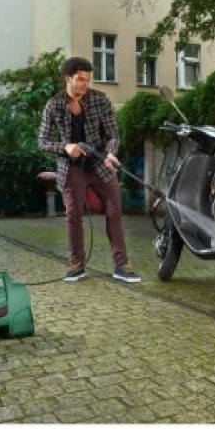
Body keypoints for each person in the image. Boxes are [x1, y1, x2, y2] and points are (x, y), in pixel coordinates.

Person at [38, 56, 142, 283]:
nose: (84, 84)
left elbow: (113, 135)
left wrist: (111, 153)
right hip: (71, 167)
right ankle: (77, 264)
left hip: (100, 163)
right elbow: (43, 141)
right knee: (73, 215)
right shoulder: (53, 105)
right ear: (68, 78)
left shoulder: (100, 100)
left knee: (114, 210)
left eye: (87, 80)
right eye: (80, 79)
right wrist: (65, 147)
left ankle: (121, 264)